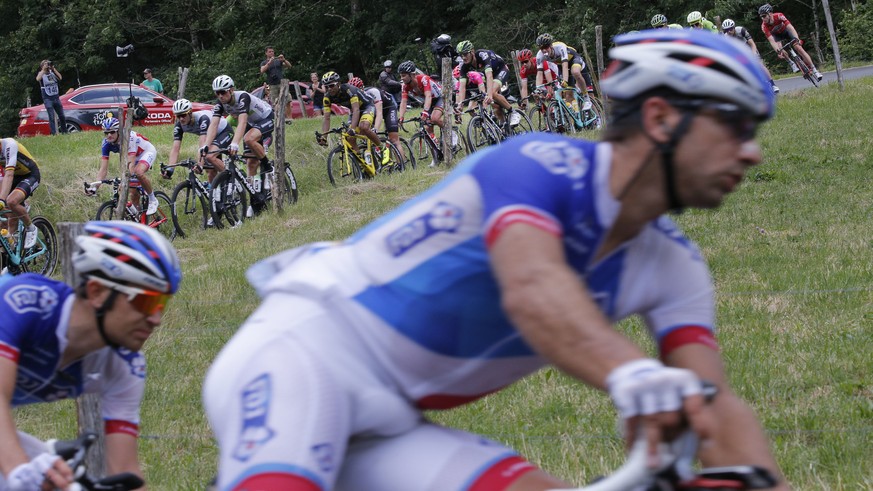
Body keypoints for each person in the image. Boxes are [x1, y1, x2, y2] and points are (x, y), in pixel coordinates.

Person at [203, 28, 788, 491]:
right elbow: (534, 287)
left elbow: (714, 404)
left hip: (391, 423)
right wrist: (629, 374)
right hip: (304, 353)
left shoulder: (675, 265)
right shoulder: (536, 163)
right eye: (735, 125)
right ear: (661, 118)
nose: (752, 152)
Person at [0, 220, 181, 491]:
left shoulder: (124, 367)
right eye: (145, 301)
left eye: (161, 304)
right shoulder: (28, 304)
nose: (155, 319)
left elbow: (125, 471)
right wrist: (19, 470)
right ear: (97, 292)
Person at [202, 75, 274, 214]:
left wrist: (235, 143)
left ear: (231, 90)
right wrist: (206, 145)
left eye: (223, 92)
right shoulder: (220, 104)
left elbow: (242, 122)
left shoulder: (242, 98)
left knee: (248, 139)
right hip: (253, 124)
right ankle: (256, 202)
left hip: (266, 117)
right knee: (250, 164)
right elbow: (214, 125)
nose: (220, 96)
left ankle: (267, 166)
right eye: (217, 93)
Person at [89, 118, 160, 215]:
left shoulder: (128, 137)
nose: (109, 135)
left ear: (118, 131)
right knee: (132, 193)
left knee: (138, 172)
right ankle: (139, 220)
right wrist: (95, 187)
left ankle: (153, 199)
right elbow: (103, 169)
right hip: (132, 157)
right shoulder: (106, 143)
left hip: (145, 152)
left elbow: (130, 165)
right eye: (106, 133)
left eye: (112, 132)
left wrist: (124, 180)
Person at [315, 72, 382, 166]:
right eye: (326, 87)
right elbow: (326, 118)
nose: (329, 89)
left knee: (364, 127)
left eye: (331, 85)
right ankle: (362, 164)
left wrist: (353, 129)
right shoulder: (327, 98)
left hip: (366, 107)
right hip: (354, 111)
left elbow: (356, 109)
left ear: (338, 84)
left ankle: (382, 148)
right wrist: (324, 137)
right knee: (349, 138)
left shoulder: (348, 90)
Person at [166, 99, 231, 185]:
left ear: (190, 112)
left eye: (183, 115)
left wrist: (200, 164)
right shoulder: (179, 125)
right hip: (211, 137)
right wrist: (170, 169)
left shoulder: (202, 118)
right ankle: (214, 193)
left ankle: (231, 180)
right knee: (210, 170)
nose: (181, 119)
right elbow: (175, 149)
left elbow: (203, 142)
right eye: (178, 116)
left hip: (224, 132)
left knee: (209, 156)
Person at [455, 40, 514, 132]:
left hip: (501, 69)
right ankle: (504, 126)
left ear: (472, 52)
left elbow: (489, 76)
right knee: (495, 105)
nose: (463, 57)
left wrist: (489, 94)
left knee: (492, 93)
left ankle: (512, 112)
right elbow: (462, 87)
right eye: (461, 55)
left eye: (465, 54)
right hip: (491, 75)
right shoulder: (463, 66)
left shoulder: (482, 55)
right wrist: (460, 104)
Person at [759, 3, 823, 81]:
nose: (763, 18)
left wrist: (797, 39)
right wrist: (778, 51)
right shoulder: (764, 26)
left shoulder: (779, 16)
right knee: (780, 49)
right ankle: (790, 62)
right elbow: (771, 40)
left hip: (786, 31)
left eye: (764, 16)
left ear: (770, 13)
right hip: (776, 36)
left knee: (798, 48)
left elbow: (790, 27)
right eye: (761, 16)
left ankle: (815, 70)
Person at [534, 33, 594, 114]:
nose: (544, 50)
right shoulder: (539, 55)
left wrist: (565, 81)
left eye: (546, 47)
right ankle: (575, 119)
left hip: (573, 60)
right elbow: (539, 74)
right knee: (568, 95)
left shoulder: (560, 47)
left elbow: (565, 66)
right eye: (541, 48)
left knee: (575, 72)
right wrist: (538, 88)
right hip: (561, 66)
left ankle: (587, 99)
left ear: (551, 45)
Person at [350, 77, 404, 165]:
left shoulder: (373, 92)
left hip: (388, 108)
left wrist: (376, 129)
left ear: (362, 88)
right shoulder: (352, 98)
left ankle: (401, 164)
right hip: (372, 111)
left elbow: (379, 113)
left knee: (393, 138)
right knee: (365, 133)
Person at [0, 138, 40, 248]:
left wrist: (2, 200)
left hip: (30, 175)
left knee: (11, 201)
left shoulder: (9, 145)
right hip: (13, 179)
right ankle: (11, 255)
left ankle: (31, 228)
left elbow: (9, 175)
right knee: (5, 220)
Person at [722, 18, 780, 94]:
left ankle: (772, 85)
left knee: (760, 65)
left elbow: (752, 44)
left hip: (750, 48)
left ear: (734, 27)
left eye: (730, 29)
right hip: (740, 52)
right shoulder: (725, 37)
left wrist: (754, 55)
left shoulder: (741, 30)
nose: (729, 31)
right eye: (726, 30)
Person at [396, 61, 446, 146]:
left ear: (412, 75)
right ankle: (437, 150)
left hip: (439, 98)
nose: (402, 78)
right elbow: (403, 102)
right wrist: (401, 117)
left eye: (404, 75)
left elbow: (428, 95)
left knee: (434, 118)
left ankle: (451, 133)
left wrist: (426, 111)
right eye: (401, 76)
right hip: (429, 101)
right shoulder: (404, 86)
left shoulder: (423, 79)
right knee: (427, 128)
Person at [35, 60, 67, 135]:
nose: (47, 66)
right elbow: (38, 79)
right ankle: (53, 133)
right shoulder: (41, 74)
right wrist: (43, 69)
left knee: (62, 115)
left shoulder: (52, 73)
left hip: (56, 97)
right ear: (42, 66)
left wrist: (53, 69)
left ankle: (64, 131)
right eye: (45, 64)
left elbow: (60, 77)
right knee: (51, 116)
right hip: (48, 98)